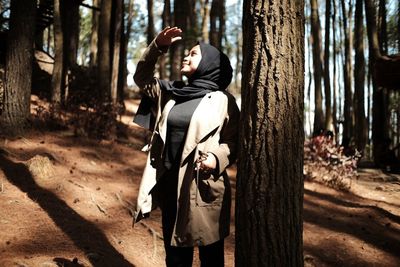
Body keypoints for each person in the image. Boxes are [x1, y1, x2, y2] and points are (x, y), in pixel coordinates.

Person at [133, 26, 240, 267]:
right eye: (187, 53)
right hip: (170, 183)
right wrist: (157, 46)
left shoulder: (223, 101)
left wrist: (216, 158)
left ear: (209, 64)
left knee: (211, 257)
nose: (186, 56)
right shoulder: (172, 92)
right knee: (175, 257)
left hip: (203, 186)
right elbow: (141, 78)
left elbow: (233, 142)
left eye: (193, 54)